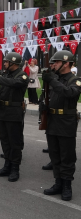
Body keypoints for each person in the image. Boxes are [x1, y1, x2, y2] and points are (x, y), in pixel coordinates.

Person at [41, 50, 81, 201]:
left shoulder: (75, 80)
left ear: (66, 63)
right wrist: (42, 106)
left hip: (66, 122)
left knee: (67, 156)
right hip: (52, 121)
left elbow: (69, 93)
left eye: (56, 62)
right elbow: (44, 96)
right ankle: (58, 182)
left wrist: (52, 80)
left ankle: (66, 185)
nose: (53, 65)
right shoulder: (54, 78)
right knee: (54, 154)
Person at [0, 52, 29, 182]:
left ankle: (15, 169)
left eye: (6, 62)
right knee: (5, 140)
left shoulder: (22, 76)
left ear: (13, 63)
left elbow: (13, 84)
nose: (4, 63)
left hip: (14, 112)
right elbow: (2, 91)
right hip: (4, 111)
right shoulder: (6, 75)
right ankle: (7, 165)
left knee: (14, 142)